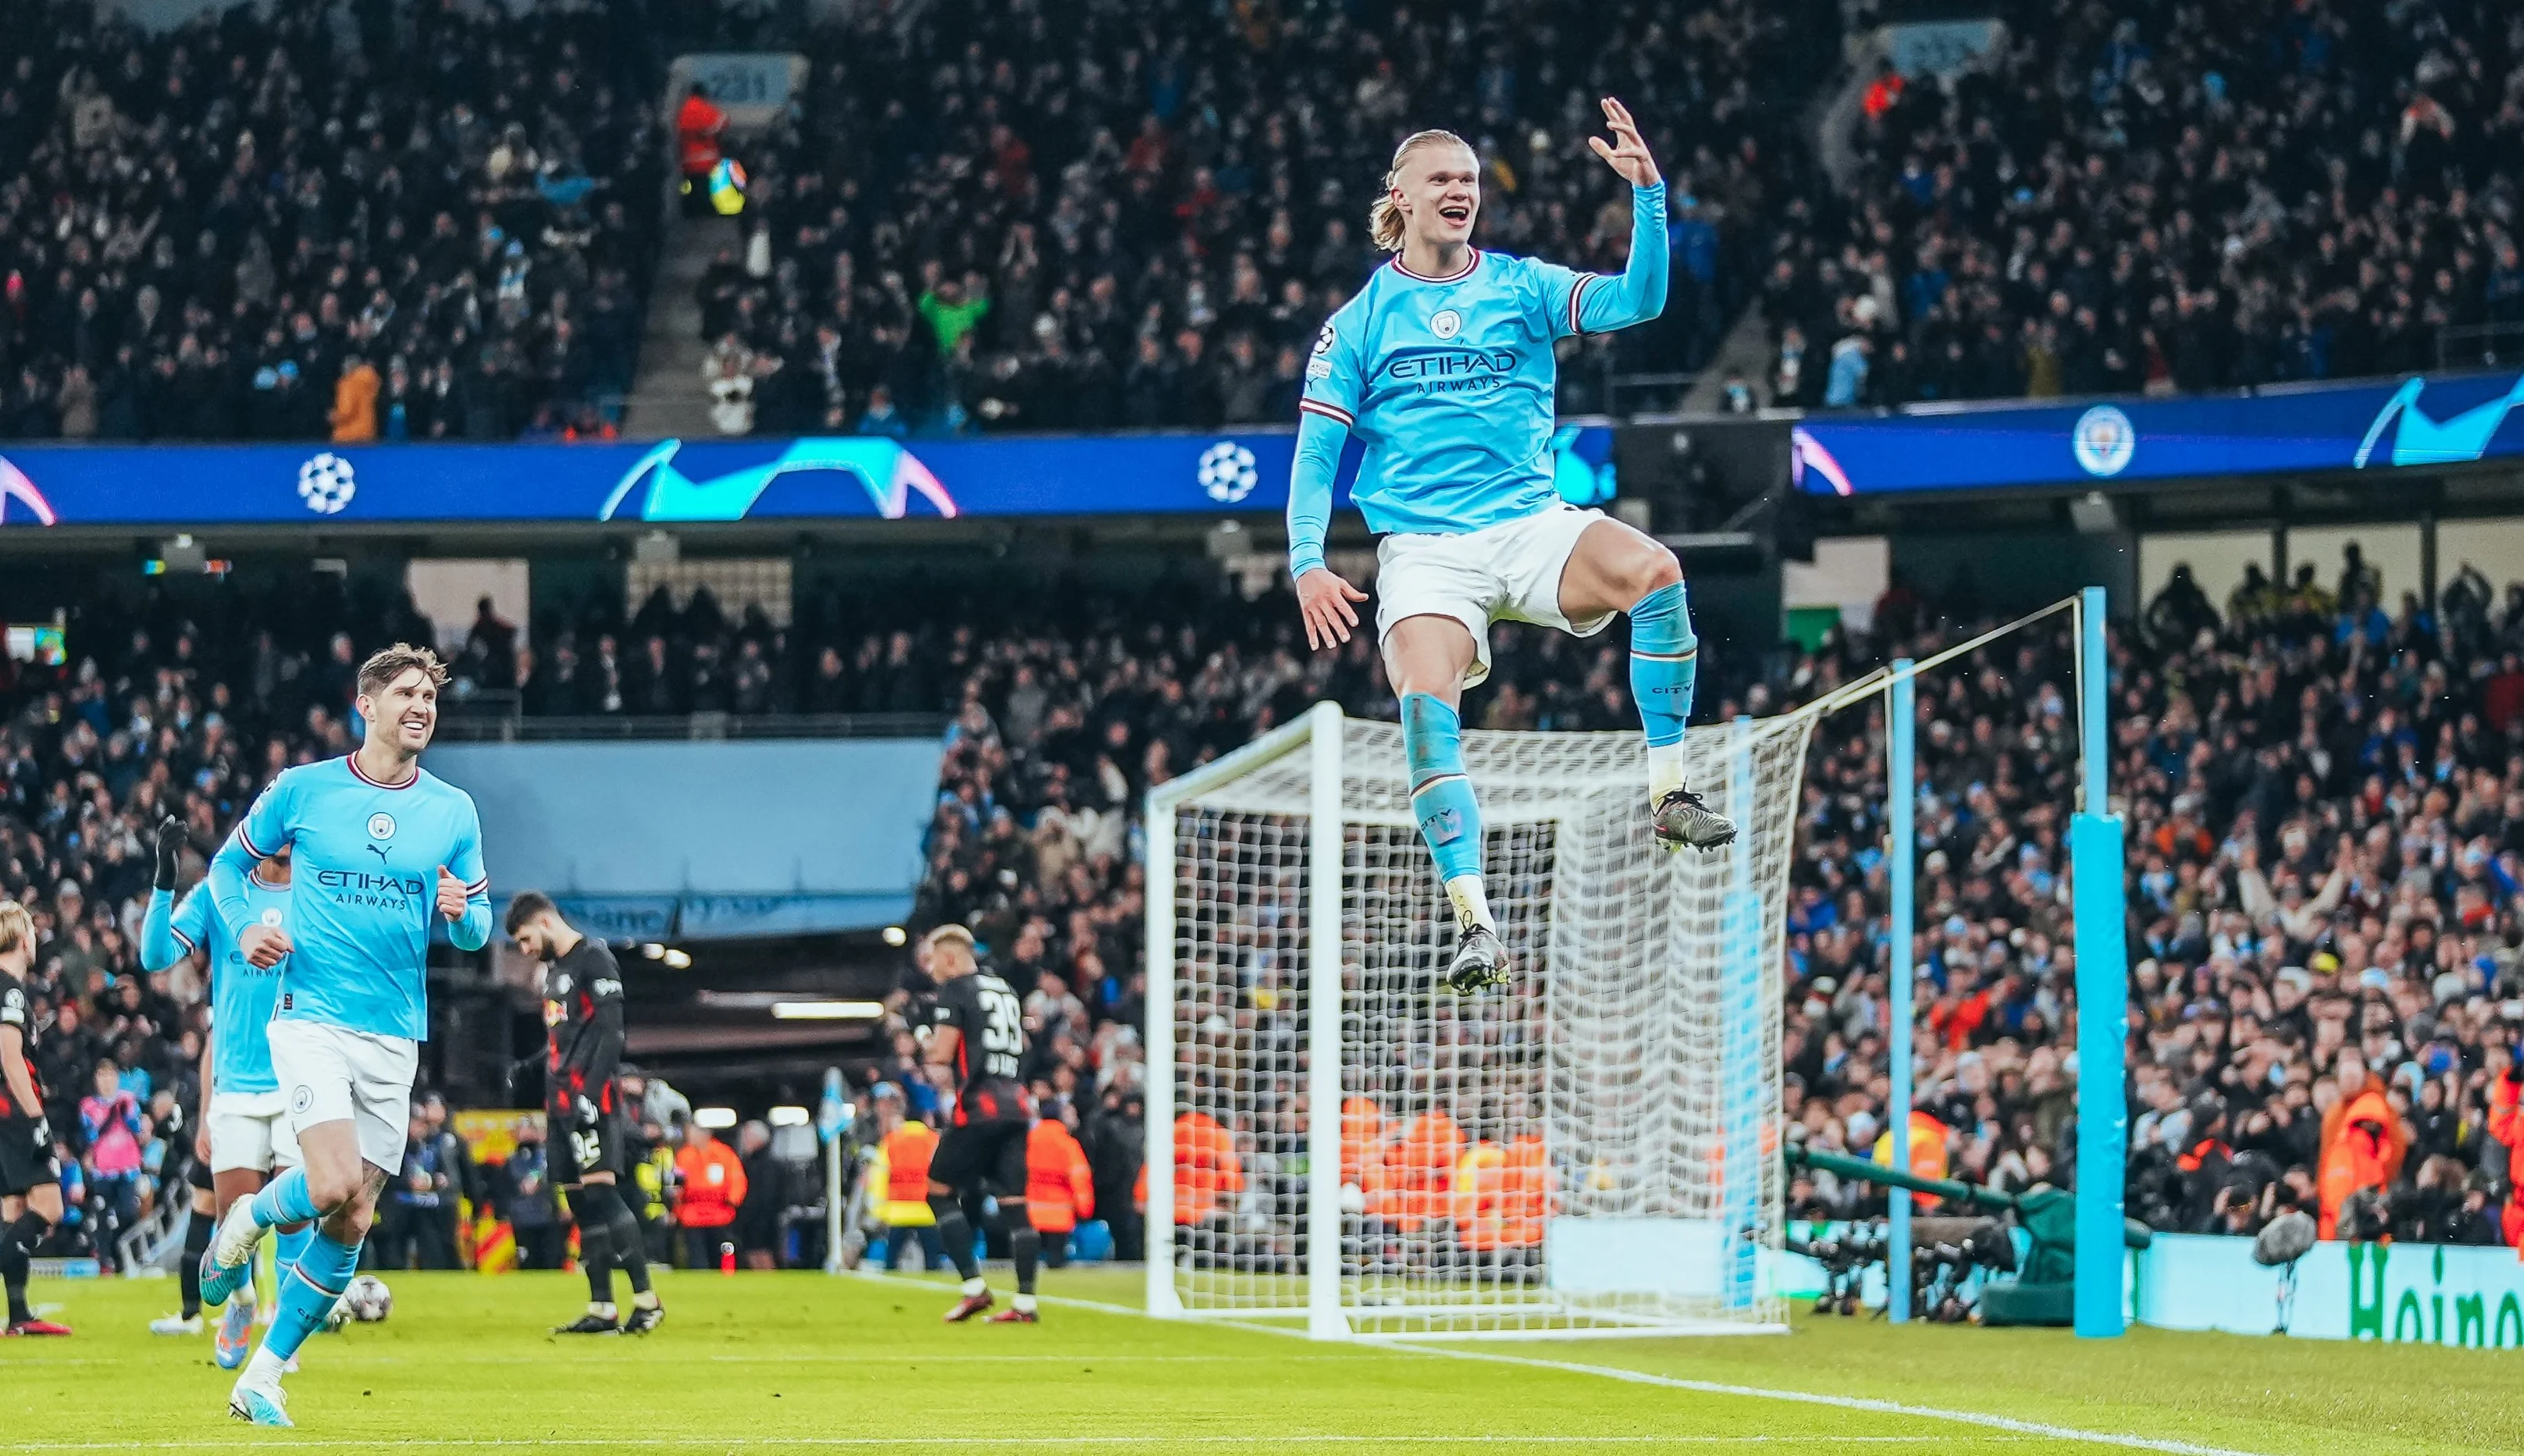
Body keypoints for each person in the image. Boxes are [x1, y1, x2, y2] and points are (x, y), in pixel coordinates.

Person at [1284, 101, 1733, 995]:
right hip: (1424, 550)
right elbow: (1317, 454)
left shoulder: (1521, 286)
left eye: (1469, 181)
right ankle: (1474, 921)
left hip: (1530, 522)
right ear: (1401, 199)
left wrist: (1649, 196)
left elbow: (1638, 299)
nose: (1460, 192)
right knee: (1422, 701)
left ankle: (1668, 793)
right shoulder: (1356, 324)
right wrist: (1305, 560)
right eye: (1442, 179)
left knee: (1658, 574)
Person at [197, 643, 492, 1427]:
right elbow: (226, 870)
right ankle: (246, 1220)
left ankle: (261, 1377)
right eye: (405, 692)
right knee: (326, 1184)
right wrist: (248, 923)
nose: (421, 705)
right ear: (366, 705)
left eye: (429, 694)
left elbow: (480, 929)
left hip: (396, 1033)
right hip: (313, 1018)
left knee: (353, 1217)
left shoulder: (453, 811)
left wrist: (463, 914)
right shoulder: (302, 790)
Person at [140, 817, 305, 1367]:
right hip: (236, 1087)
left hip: (300, 1077)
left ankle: (285, 1337)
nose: (286, 834)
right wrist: (164, 880)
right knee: (236, 1223)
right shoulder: (220, 892)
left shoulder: (318, 891)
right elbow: (155, 956)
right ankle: (240, 1302)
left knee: (294, 1216)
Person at [507, 892, 660, 1334]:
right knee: (579, 1202)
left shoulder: (595, 959)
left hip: (589, 1099)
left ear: (545, 922)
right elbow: (567, 1038)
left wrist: (590, 1093)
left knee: (600, 1194)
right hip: (558, 1105)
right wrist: (530, 1068)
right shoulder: (554, 973)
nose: (525, 950)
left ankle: (647, 1300)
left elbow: (612, 1035)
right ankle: (602, 1308)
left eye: (525, 939)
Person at [920, 924, 1039, 1323]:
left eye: (933, 961)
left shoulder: (956, 989)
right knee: (1014, 1204)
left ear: (951, 958)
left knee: (938, 1191)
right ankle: (1025, 1303)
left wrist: (923, 1040)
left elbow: (941, 1053)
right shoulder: (1005, 989)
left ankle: (974, 1288)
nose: (931, 970)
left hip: (979, 1108)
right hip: (1017, 1106)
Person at [0, 902, 71, 1336]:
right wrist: (35, 1119)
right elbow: (9, 1056)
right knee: (49, 1207)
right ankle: (20, 1316)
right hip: (14, 1117)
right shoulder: (9, 990)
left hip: (3, 1117)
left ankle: (19, 1316)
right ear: (22, 939)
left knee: (14, 1209)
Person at [670, 1120, 746, 1269]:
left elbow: (737, 1179)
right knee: (696, 1258)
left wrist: (733, 1201)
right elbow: (677, 1186)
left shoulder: (724, 1153)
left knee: (721, 1255)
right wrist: (676, 1211)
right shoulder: (684, 1155)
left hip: (720, 1214)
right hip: (692, 1215)